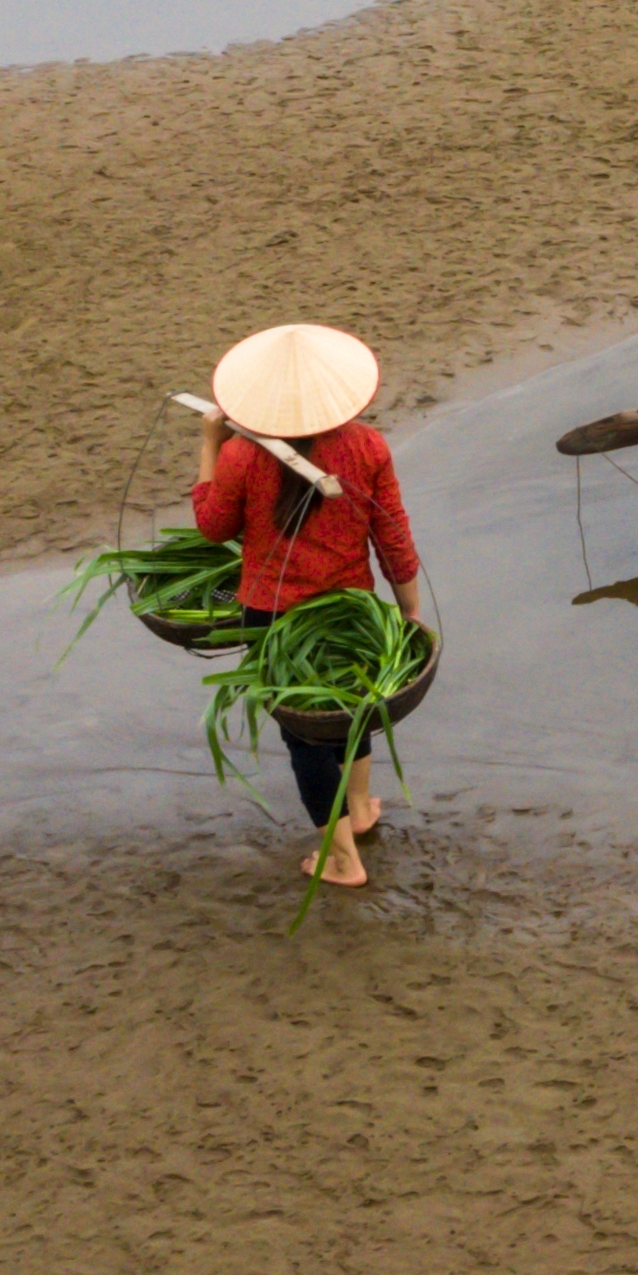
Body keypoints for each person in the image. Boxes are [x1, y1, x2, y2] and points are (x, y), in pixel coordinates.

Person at [189, 321, 429, 888]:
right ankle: (363, 805)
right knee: (353, 705)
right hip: (352, 609)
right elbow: (392, 537)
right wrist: (408, 611)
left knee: (304, 735)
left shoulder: (243, 457)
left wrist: (208, 445)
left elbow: (210, 527)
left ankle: (345, 858)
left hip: (274, 619)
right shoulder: (367, 445)